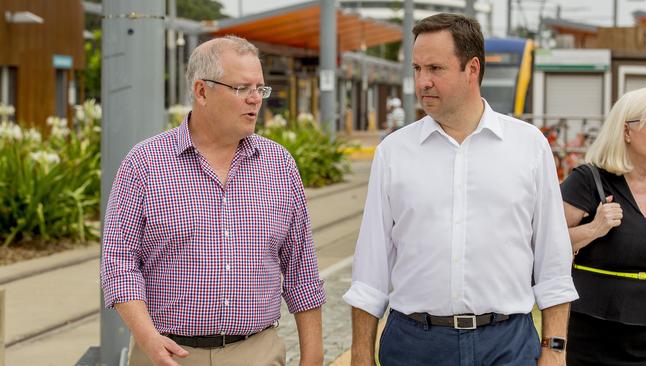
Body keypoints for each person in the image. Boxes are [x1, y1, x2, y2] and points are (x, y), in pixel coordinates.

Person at [343, 13, 578, 366]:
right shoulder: (393, 152)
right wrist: (361, 353)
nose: (423, 81)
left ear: (472, 69)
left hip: (508, 344)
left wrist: (555, 350)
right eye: (417, 68)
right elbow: (371, 266)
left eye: (435, 68)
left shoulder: (530, 146)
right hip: (413, 347)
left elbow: (553, 262)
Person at [100, 36, 325, 366]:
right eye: (242, 88)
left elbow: (301, 268)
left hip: (256, 353)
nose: (255, 100)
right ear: (202, 91)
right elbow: (118, 264)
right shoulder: (144, 163)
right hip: (168, 354)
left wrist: (313, 357)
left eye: (260, 89)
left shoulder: (280, 164)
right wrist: (148, 339)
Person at [560, 87, 646, 366]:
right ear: (626, 131)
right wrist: (594, 228)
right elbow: (544, 243)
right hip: (594, 334)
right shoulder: (589, 180)